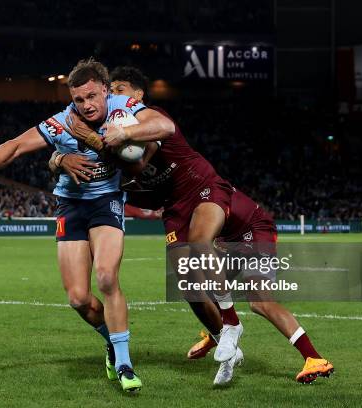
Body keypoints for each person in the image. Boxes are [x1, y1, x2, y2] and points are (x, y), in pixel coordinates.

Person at [53, 66, 334, 385]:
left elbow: (142, 157)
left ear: (137, 95)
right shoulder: (113, 138)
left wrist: (101, 137)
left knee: (234, 274)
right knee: (187, 284)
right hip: (175, 209)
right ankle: (221, 336)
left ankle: (247, 331)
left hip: (205, 191)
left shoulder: (146, 120)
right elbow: (106, 172)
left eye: (118, 89)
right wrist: (60, 159)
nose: (112, 96)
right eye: (110, 90)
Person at [0, 58, 175, 393]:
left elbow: (165, 127)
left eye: (92, 96)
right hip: (70, 205)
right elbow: (17, 144)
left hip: (106, 201)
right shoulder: (63, 121)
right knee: (79, 298)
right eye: (79, 100)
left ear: (106, 91)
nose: (87, 105)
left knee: (107, 276)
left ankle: (125, 363)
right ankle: (112, 341)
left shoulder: (124, 108)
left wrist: (124, 133)